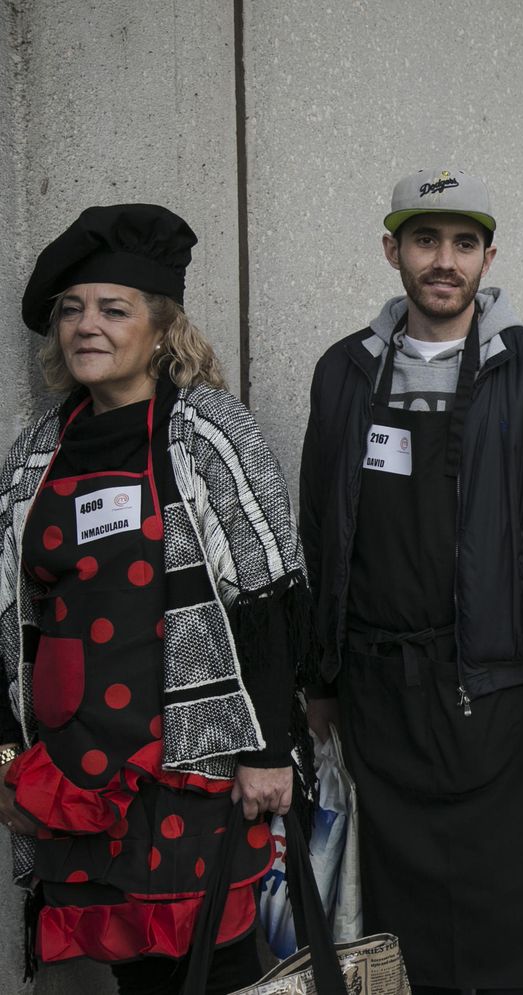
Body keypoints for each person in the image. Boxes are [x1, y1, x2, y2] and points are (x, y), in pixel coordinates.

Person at [299, 169, 523, 995]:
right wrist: (321, 677)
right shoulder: (344, 372)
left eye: (463, 243)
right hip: (378, 696)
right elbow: (321, 533)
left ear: (488, 258)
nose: (444, 260)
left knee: (503, 931)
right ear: (393, 251)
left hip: (498, 695)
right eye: (425, 240)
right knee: (397, 936)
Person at [1, 205, 305, 992]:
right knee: (133, 970)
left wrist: (269, 749)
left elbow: (267, 596)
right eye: (72, 310)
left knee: (213, 963)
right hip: (77, 767)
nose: (86, 326)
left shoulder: (208, 432)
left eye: (113, 309)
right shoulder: (37, 453)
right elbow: (7, 619)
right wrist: (5, 759)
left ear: (163, 328)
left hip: (188, 764)